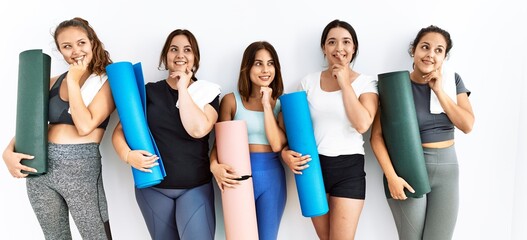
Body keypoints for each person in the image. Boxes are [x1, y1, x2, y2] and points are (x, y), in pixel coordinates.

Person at [2, 17, 115, 239]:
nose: (75, 51)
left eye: (81, 43)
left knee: (97, 235)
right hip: (40, 168)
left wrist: (73, 81)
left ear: (92, 42)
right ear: (60, 51)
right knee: (55, 237)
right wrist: (8, 151)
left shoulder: (107, 80)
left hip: (80, 168)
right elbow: (31, 122)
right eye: (67, 46)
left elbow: (85, 126)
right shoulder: (52, 81)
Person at [112, 29, 219, 240]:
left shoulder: (208, 92)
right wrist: (128, 156)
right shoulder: (148, 91)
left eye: (187, 50)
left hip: (195, 186)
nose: (180, 55)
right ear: (165, 56)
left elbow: (198, 129)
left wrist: (182, 87)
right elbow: (119, 132)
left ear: (195, 57)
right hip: (153, 188)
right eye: (174, 49)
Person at [370, 25, 475, 240]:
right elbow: (377, 137)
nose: (430, 55)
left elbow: (467, 125)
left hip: (448, 171)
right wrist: (392, 177)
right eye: (425, 47)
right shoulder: (395, 86)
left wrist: (439, 91)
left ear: (445, 57)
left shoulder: (452, 81)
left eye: (438, 50)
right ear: (413, 50)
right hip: (408, 170)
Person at [281, 19, 379, 239]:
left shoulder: (366, 83)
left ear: (354, 48)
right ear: (324, 48)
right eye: (332, 42)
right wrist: (285, 152)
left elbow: (363, 124)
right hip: (313, 167)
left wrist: (344, 82)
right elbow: (294, 128)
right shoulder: (308, 82)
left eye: (346, 42)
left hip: (349, 168)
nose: (339, 48)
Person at [210, 41, 287, 240]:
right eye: (258, 63)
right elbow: (218, 144)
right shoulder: (230, 100)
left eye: (270, 64)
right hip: (237, 176)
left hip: (272, 178)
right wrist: (214, 166)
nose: (265, 69)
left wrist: (267, 105)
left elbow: (277, 144)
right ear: (248, 67)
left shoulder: (280, 103)